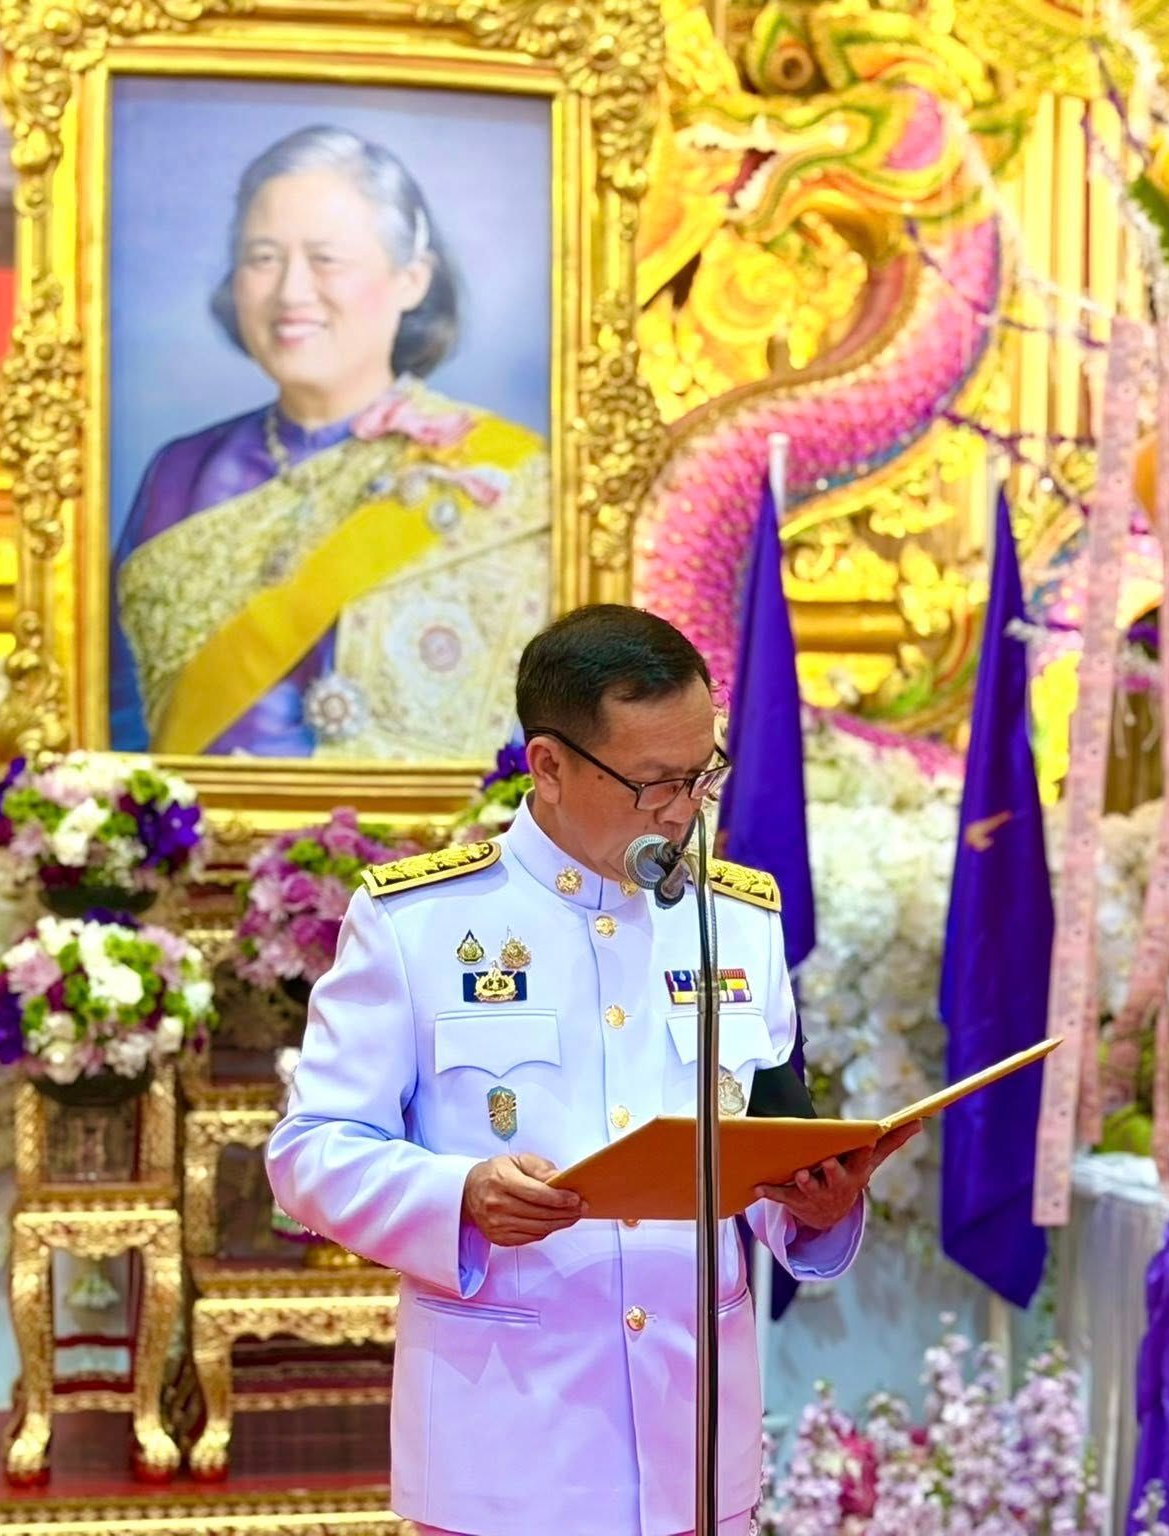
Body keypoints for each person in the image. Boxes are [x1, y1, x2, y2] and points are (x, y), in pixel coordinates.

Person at [265, 605, 917, 1535]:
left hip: (696, 1442)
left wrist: (813, 1203)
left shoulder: (738, 921)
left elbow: (762, 1139)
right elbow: (312, 1151)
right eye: (652, 783)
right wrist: (461, 1194)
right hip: (509, 1449)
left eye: (702, 775)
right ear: (550, 765)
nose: (683, 811)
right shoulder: (420, 923)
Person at [108, 124, 550, 761]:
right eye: (262, 258)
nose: (291, 291)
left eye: (326, 258)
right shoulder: (178, 474)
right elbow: (117, 727)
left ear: (411, 280)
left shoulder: (506, 475)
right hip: (193, 852)